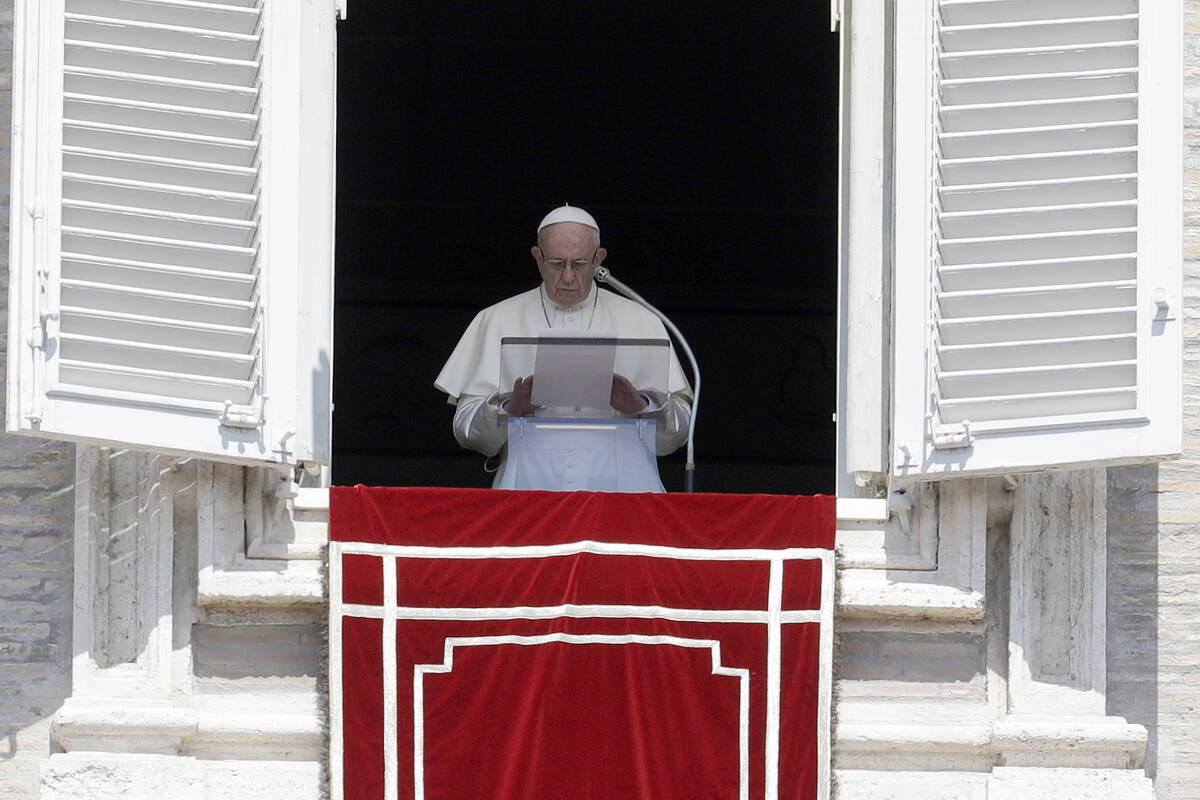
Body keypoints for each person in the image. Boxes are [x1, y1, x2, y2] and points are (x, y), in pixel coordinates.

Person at [435, 205, 693, 488]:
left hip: (626, 489)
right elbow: (466, 432)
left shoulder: (642, 319)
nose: (568, 277)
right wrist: (508, 408)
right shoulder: (495, 319)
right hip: (528, 486)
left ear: (599, 259)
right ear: (538, 258)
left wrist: (642, 406)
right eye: (557, 264)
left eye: (580, 264)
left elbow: (678, 434)